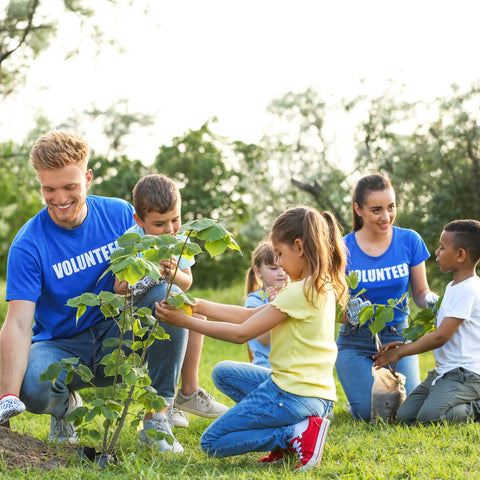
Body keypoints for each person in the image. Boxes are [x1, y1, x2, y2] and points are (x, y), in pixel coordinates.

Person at [0, 131, 184, 453]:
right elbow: (17, 324)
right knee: (33, 384)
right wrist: (6, 399)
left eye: (70, 187)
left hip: (120, 331)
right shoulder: (28, 245)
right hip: (64, 345)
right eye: (49, 188)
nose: (60, 198)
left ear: (87, 178)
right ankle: (66, 408)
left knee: (169, 298)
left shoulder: (121, 214)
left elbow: (164, 273)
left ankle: (158, 416)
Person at [155, 206, 348, 471]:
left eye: (279, 254)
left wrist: (184, 322)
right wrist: (196, 305)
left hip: (292, 394)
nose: (278, 263)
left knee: (212, 441)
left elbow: (241, 333)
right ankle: (296, 430)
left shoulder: (297, 292)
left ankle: (292, 435)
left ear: (300, 247)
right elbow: (250, 314)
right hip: (316, 395)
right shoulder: (318, 285)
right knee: (224, 373)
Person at [115, 174, 228, 437]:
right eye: (159, 223)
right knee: (178, 305)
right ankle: (168, 403)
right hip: (133, 315)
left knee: (194, 314)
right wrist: (149, 270)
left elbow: (185, 282)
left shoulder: (178, 241)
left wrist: (172, 272)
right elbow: (119, 288)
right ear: (139, 221)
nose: (169, 229)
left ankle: (187, 391)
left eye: (175, 220)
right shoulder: (131, 241)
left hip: (165, 305)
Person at [335, 174, 437, 421]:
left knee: (404, 412)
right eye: (376, 210)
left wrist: (436, 301)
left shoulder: (409, 240)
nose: (386, 217)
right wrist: (350, 313)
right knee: (368, 414)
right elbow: (334, 309)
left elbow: (421, 293)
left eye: (391, 207)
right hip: (355, 342)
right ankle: (358, 395)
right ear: (358, 209)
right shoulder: (342, 248)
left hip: (398, 340)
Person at [373, 219, 480, 423]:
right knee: (405, 416)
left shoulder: (469, 289)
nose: (436, 253)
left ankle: (476, 408)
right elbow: (443, 329)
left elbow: (441, 336)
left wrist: (401, 352)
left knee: (430, 418)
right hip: (445, 372)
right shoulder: (453, 287)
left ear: (460, 255)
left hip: (466, 374)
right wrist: (405, 343)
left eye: (441, 248)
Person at [244, 241, 288, 368]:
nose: (281, 272)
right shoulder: (254, 301)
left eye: (283, 266)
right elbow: (265, 340)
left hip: (289, 370)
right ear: (258, 272)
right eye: (274, 268)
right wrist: (274, 304)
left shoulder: (292, 294)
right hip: (266, 369)